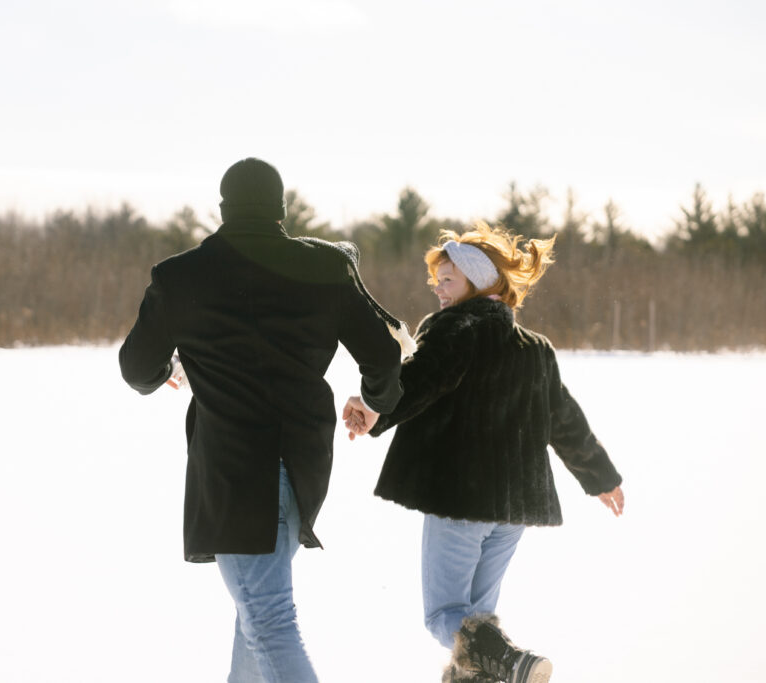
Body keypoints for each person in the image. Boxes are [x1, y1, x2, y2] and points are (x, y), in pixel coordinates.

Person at [119, 157, 408, 683]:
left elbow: (136, 367)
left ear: (223, 207)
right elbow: (386, 358)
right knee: (254, 616)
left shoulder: (181, 275)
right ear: (281, 207)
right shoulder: (325, 267)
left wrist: (167, 368)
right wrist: (373, 400)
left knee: (269, 622)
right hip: (300, 468)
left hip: (236, 476)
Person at [344, 222, 624, 683]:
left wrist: (372, 407)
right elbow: (564, 418)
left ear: (479, 282)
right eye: (437, 279)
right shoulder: (534, 348)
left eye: (448, 278)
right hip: (513, 512)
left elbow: (420, 381)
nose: (437, 288)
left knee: (445, 616)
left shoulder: (457, 329)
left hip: (462, 502)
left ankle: (515, 663)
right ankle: (491, 670)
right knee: (475, 623)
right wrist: (601, 476)